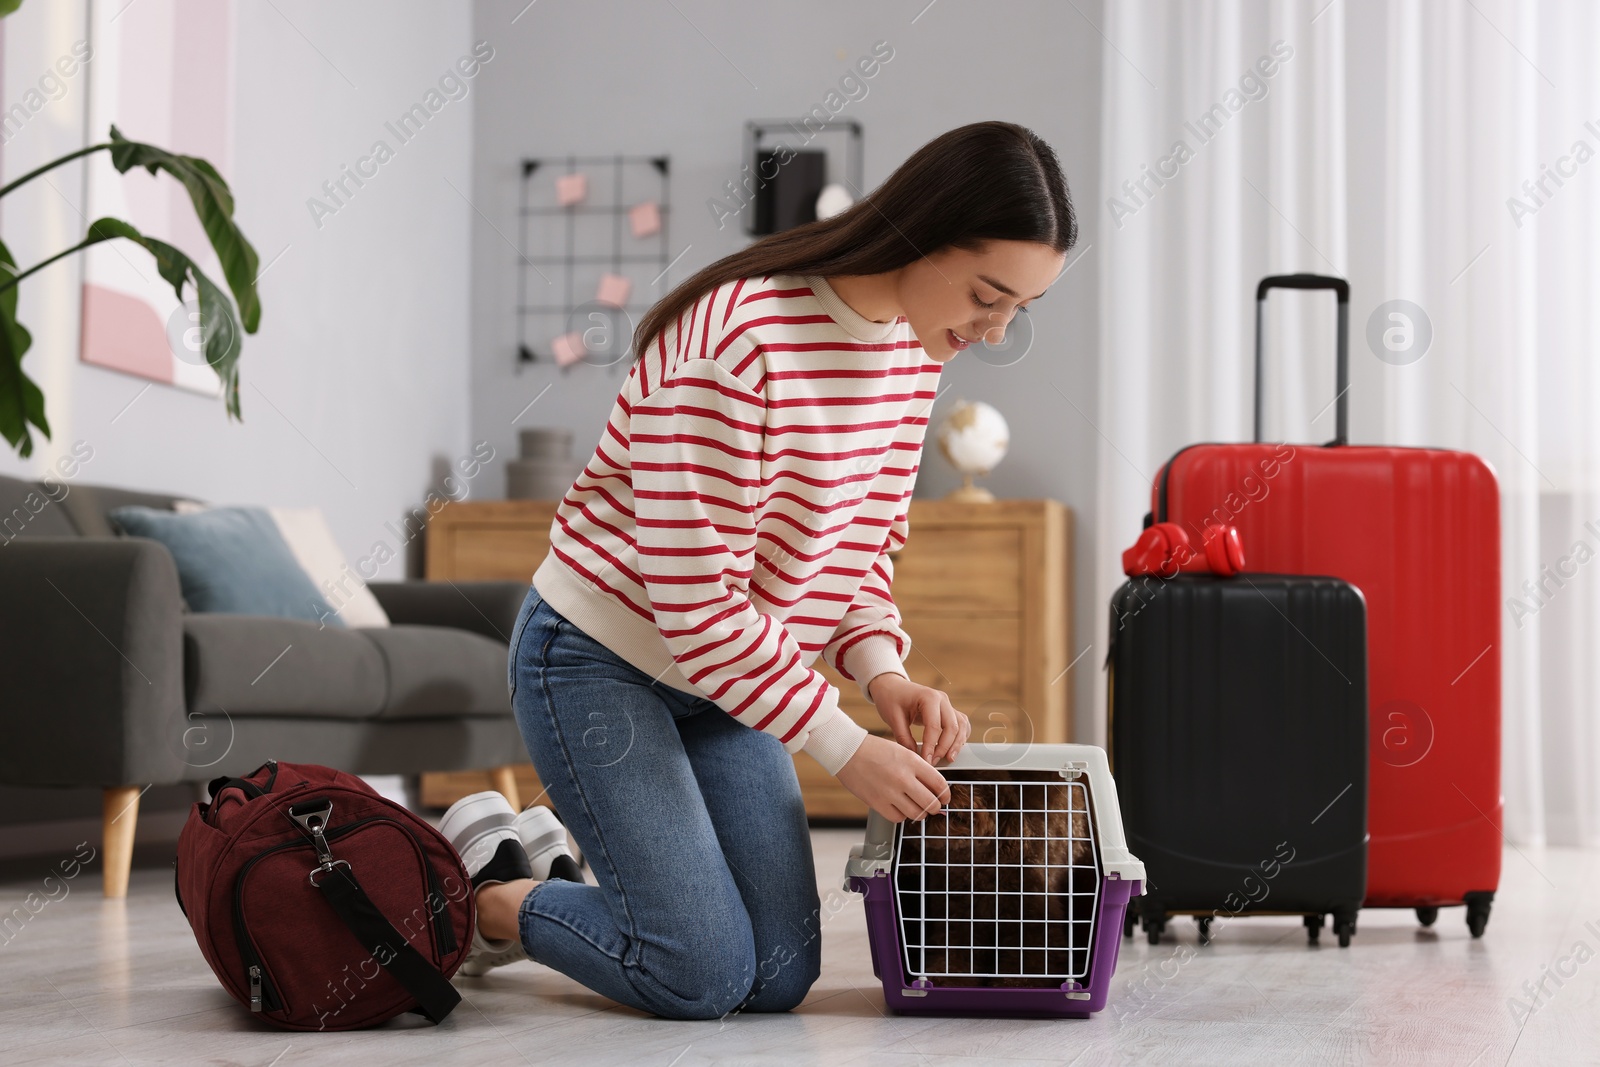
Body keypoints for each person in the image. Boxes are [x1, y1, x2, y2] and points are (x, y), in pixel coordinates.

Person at [441, 120, 1077, 1020]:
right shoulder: (739, 342)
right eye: (986, 294)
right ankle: (496, 896)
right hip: (599, 659)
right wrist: (845, 748)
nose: (996, 328)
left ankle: (555, 858)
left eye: (1020, 307)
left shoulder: (910, 351)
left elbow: (861, 548)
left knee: (776, 974)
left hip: (734, 680)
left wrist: (881, 672)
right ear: (919, 233)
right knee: (696, 973)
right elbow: (698, 610)